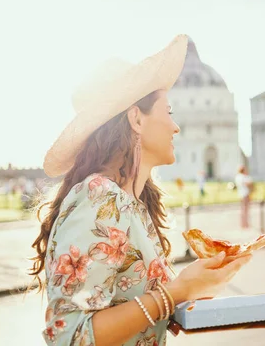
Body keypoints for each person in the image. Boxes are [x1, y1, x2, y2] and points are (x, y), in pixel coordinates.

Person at [28, 35, 252, 346]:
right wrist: (175, 292)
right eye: (169, 111)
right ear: (136, 118)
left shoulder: (130, 202)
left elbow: (133, 308)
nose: (176, 127)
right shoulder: (100, 197)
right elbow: (69, 336)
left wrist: (192, 290)